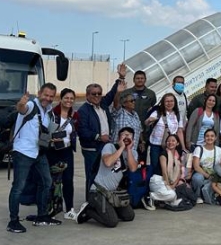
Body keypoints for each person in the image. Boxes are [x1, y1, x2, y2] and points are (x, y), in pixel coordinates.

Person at [7, 84, 61, 233]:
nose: (48, 98)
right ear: (39, 93)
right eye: (46, 95)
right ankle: (13, 221)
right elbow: (22, 109)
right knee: (18, 187)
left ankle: (42, 216)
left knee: (47, 182)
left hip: (39, 152)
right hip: (23, 152)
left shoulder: (48, 110)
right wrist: (21, 103)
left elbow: (43, 131)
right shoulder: (31, 105)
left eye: (51, 96)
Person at [73, 127, 139, 227]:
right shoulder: (109, 147)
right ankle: (89, 210)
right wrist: (121, 148)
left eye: (129, 135)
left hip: (112, 194)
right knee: (112, 222)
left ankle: (106, 209)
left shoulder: (133, 153)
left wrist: (128, 150)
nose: (126, 137)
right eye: (124, 135)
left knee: (129, 216)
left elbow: (133, 168)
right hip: (98, 191)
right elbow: (108, 162)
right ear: (118, 138)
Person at [76, 79, 122, 197]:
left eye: (99, 93)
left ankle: (100, 201)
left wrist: (120, 78)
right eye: (93, 94)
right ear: (87, 95)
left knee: (104, 174)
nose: (97, 96)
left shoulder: (103, 105)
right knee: (92, 175)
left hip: (104, 147)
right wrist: (99, 137)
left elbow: (112, 94)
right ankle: (90, 202)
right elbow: (82, 131)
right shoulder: (83, 110)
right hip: (92, 149)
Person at [48, 88, 77, 220]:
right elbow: (44, 132)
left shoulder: (74, 116)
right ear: (61, 99)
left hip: (67, 151)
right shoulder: (52, 114)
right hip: (53, 151)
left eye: (71, 98)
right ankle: (52, 209)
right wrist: (51, 139)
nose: (69, 101)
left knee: (68, 180)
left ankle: (69, 209)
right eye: (66, 98)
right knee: (53, 181)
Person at [145, 93, 186, 174]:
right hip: (156, 145)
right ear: (163, 102)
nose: (169, 103)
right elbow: (147, 122)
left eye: (171, 101)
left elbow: (179, 131)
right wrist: (150, 120)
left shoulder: (177, 115)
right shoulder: (157, 112)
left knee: (169, 167)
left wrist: (183, 147)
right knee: (155, 167)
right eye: (167, 101)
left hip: (170, 146)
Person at [151, 134, 189, 207]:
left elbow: (178, 174)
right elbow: (164, 172)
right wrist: (168, 186)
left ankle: (161, 200)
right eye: (168, 141)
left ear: (177, 143)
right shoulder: (163, 154)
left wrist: (173, 185)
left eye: (173, 141)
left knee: (177, 195)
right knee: (172, 195)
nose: (170, 142)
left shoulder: (177, 157)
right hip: (159, 180)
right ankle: (151, 196)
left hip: (170, 182)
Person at [191, 129, 221, 204]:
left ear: (215, 138)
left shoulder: (220, 150)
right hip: (202, 173)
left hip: (215, 174)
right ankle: (198, 195)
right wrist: (208, 176)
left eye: (212, 136)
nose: (209, 138)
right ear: (204, 138)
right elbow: (196, 167)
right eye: (207, 136)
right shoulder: (199, 149)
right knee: (197, 178)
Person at [110, 91, 143, 157]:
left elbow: (140, 130)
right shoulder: (119, 113)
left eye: (134, 100)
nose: (134, 102)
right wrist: (118, 92)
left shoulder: (135, 114)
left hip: (132, 150)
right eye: (131, 101)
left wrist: (142, 142)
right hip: (118, 149)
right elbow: (116, 105)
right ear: (124, 104)